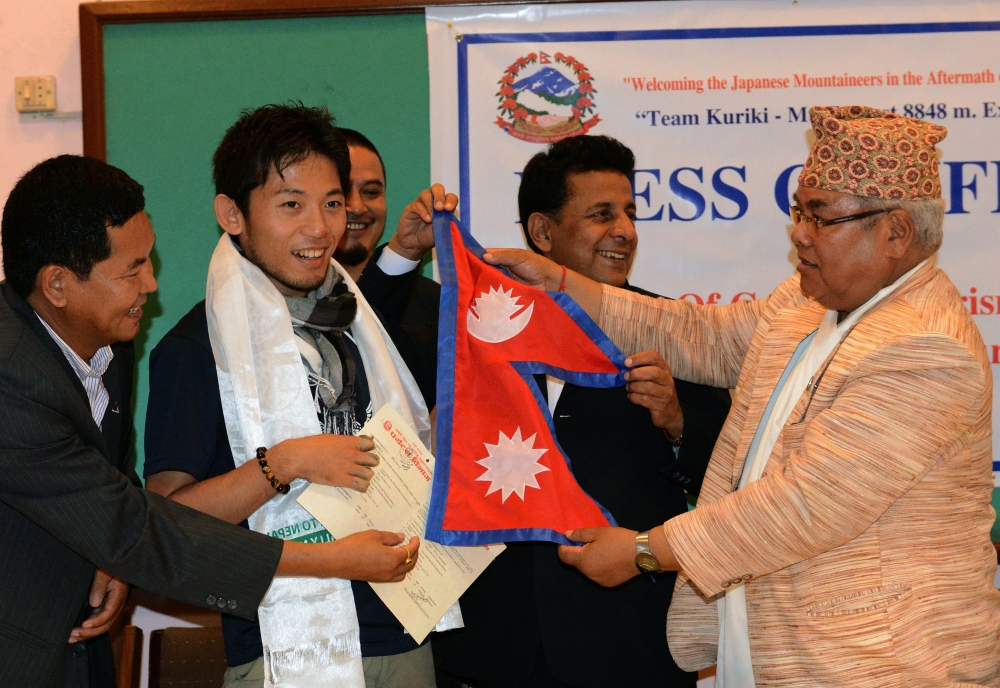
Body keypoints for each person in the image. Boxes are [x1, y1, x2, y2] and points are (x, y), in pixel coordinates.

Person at [487, 107, 1000, 686]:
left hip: (876, 662)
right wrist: (559, 283)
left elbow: (802, 505)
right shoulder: (808, 302)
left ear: (896, 233)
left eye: (821, 216)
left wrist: (642, 550)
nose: (799, 233)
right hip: (771, 649)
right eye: (799, 211)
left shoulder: (924, 347)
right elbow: (698, 336)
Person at [0, 154, 418, 688]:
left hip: (75, 647)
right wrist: (332, 558)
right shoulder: (12, 377)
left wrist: (112, 557)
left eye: (149, 260)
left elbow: (109, 493)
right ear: (58, 285)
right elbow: (139, 531)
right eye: (132, 270)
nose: (151, 284)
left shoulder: (107, 341)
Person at [144, 105, 452, 688]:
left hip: (404, 630)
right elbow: (164, 523)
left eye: (332, 203)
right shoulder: (198, 347)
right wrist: (284, 463)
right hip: (280, 649)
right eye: (291, 205)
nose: (320, 228)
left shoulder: (361, 325)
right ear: (232, 214)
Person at [432, 135, 732, 688]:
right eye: (602, 214)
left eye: (630, 213)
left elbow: (731, 477)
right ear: (543, 232)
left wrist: (676, 421)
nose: (625, 231)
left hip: (627, 643)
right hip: (493, 646)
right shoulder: (481, 329)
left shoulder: (671, 329)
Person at [334, 128, 441, 409]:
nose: (357, 207)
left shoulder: (438, 306)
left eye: (370, 192)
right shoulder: (280, 305)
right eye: (341, 192)